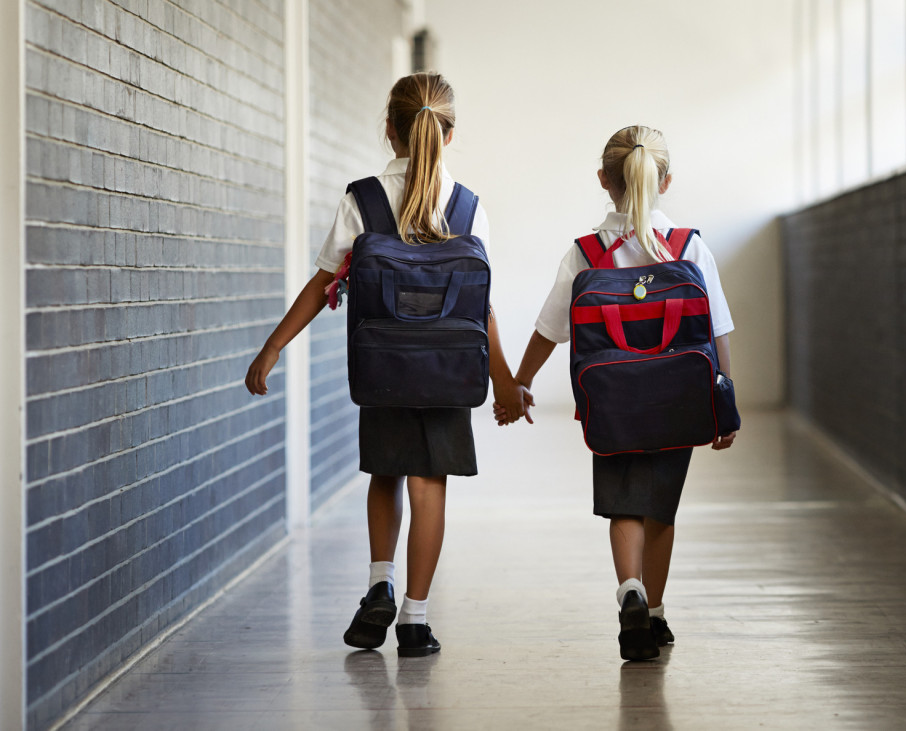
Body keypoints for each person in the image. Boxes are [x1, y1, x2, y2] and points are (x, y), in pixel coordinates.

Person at [245, 72, 530, 657]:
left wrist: (273, 346)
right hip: (449, 372)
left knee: (386, 475)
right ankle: (415, 620)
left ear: (389, 129)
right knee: (430, 487)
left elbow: (322, 280)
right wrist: (505, 381)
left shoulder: (364, 198)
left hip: (382, 370)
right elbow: (484, 308)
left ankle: (379, 582)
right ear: (448, 135)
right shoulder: (468, 206)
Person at [500, 125, 737, 661]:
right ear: (667, 182)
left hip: (611, 402)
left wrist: (520, 381)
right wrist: (725, 401)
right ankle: (653, 612)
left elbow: (549, 327)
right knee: (661, 511)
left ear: (604, 181)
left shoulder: (586, 252)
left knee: (624, 505)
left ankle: (629, 590)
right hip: (680, 399)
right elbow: (718, 328)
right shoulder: (689, 246)